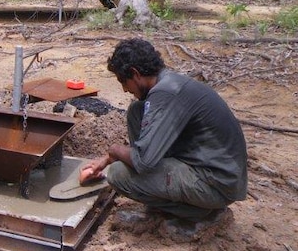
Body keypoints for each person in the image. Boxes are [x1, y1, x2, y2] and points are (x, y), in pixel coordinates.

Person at [81, 38, 248, 239]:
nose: (125, 90)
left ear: (135, 74)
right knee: (137, 110)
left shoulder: (166, 93)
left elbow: (143, 161)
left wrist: (113, 153)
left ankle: (198, 212)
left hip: (214, 183)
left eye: (123, 82)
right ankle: (182, 201)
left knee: (118, 174)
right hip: (216, 173)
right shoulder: (169, 83)